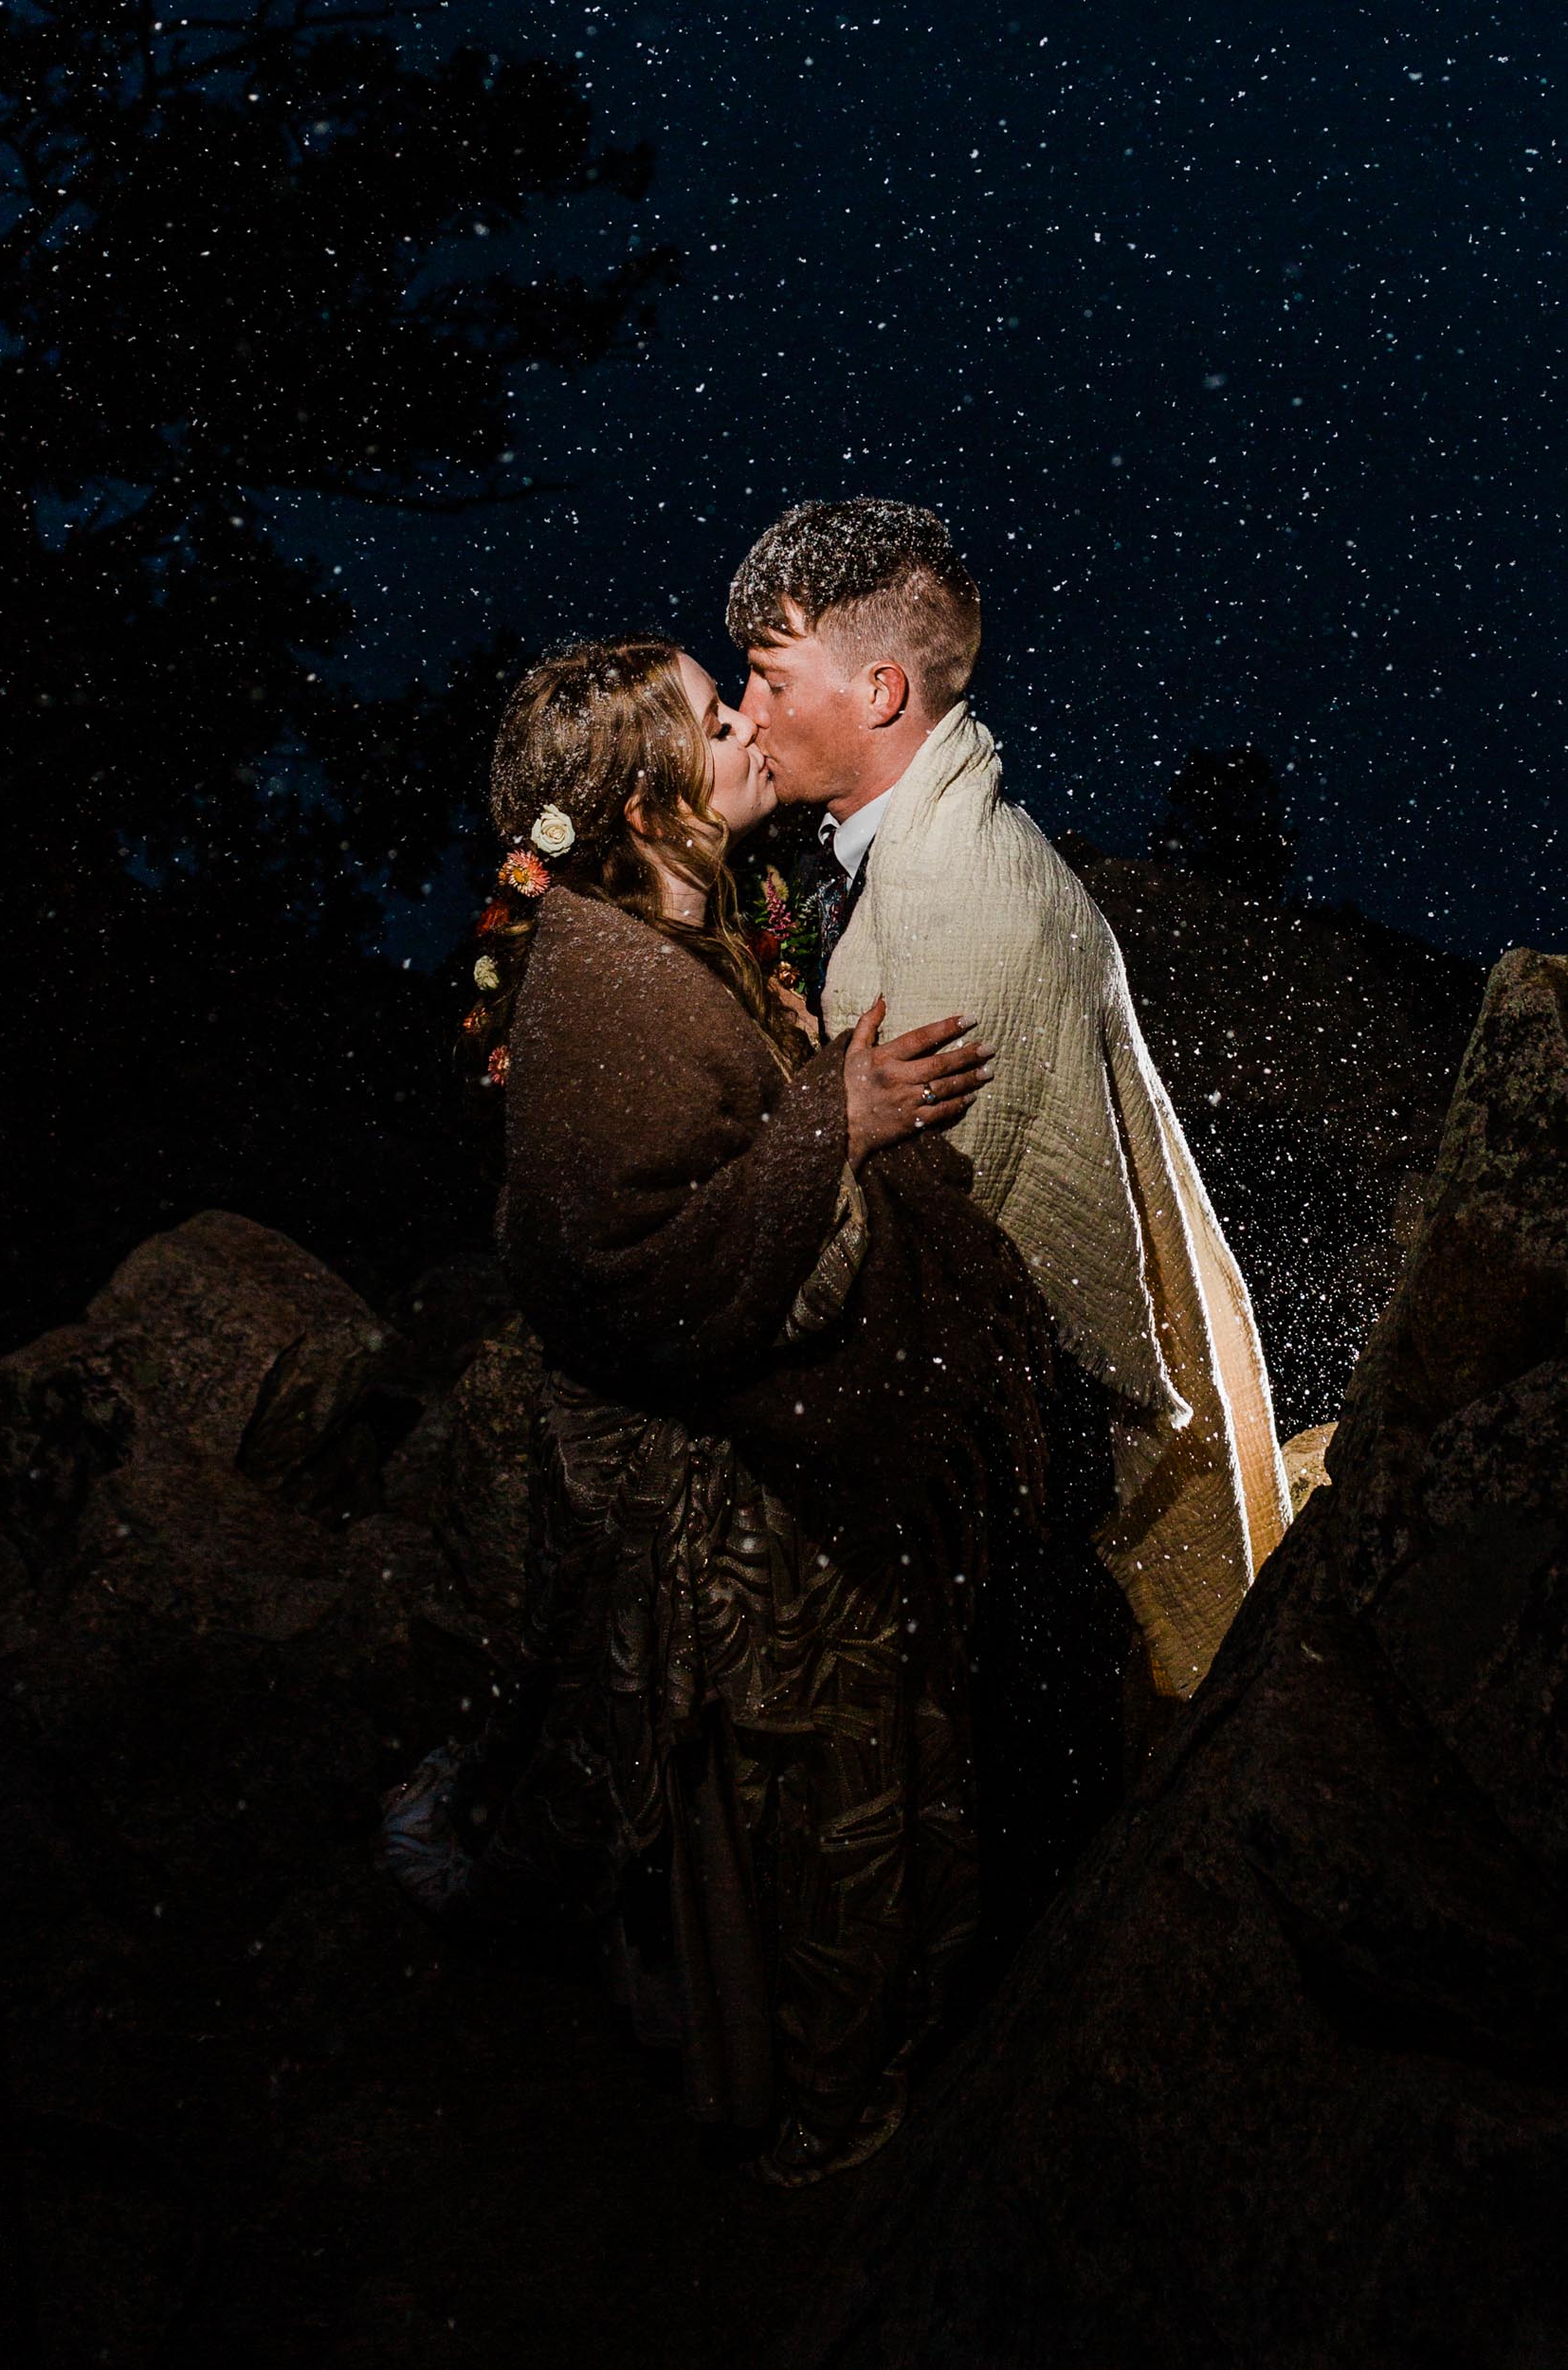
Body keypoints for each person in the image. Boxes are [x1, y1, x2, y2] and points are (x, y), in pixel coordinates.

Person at [383, 634, 1098, 2185]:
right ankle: (821, 2142)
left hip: (749, 1478)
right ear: (647, 810)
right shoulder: (613, 994)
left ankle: (762, 2052)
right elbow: (639, 1274)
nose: (753, 725)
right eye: (718, 721)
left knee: (769, 1823)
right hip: (737, 1522)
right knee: (798, 1821)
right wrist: (835, 1129)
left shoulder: (684, 927)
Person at [727, 499, 1292, 1709]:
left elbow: (922, 1280)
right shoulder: (944, 840)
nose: (746, 712)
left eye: (767, 675)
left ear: (880, 691)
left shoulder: (950, 909)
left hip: (1026, 1506)